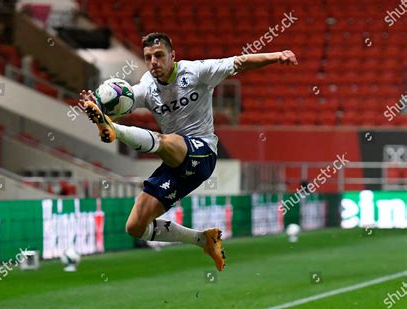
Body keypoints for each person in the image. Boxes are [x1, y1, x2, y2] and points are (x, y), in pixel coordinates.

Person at [81, 32, 297, 271]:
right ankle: (203, 239)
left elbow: (239, 62)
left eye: (159, 55)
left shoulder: (197, 72)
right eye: (148, 57)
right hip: (175, 164)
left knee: (164, 140)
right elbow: (123, 103)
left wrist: (277, 55)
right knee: (135, 227)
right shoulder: (146, 87)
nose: (154, 62)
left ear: (173, 56)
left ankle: (116, 131)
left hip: (202, 153)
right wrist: (100, 106)